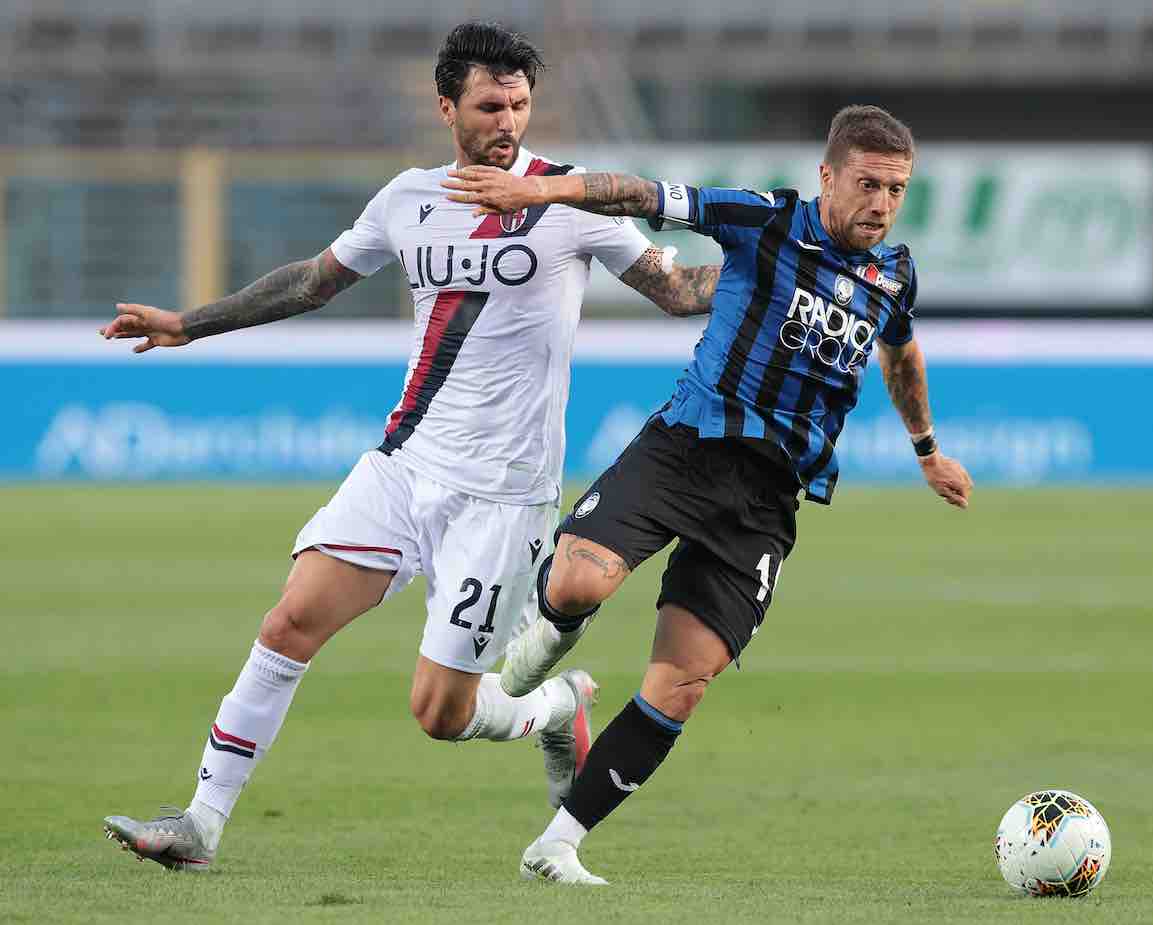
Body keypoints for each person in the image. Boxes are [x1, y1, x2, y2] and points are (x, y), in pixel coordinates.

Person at [97, 21, 720, 872]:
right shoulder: (407, 198)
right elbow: (315, 281)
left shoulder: (569, 202)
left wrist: (779, 265)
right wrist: (187, 324)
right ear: (447, 107)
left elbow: (680, 290)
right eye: (490, 104)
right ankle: (200, 824)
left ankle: (552, 709)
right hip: (405, 466)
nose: (508, 121)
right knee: (290, 620)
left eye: (521, 105)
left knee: (441, 711)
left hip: (503, 499)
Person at [443, 103, 974, 884]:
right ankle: (536, 669)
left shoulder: (894, 273)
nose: (883, 204)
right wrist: (545, 194)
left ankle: (556, 842)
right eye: (869, 184)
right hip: (687, 447)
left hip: (766, 500)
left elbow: (901, 353)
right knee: (578, 580)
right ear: (828, 176)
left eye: (897, 189)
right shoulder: (763, 222)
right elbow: (645, 195)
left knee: (682, 682)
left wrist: (926, 448)